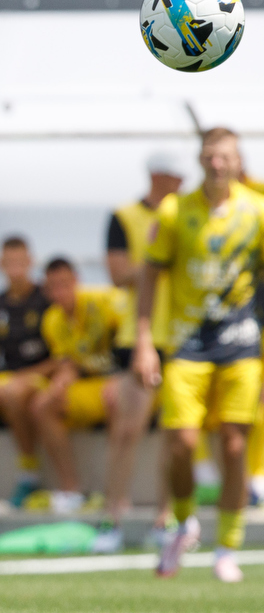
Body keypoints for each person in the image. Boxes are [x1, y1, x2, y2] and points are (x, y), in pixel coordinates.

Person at [133, 128, 264, 582]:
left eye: (224, 155)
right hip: (187, 344)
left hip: (242, 344)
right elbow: (149, 275)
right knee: (181, 445)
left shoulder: (257, 210)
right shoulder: (175, 211)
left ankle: (226, 547)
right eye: (209, 154)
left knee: (233, 444)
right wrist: (144, 341)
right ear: (200, 160)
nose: (216, 163)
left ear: (237, 160)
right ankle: (184, 522)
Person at [109, 150, 185, 540]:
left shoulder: (188, 215)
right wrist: (157, 258)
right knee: (128, 429)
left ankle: (165, 519)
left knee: (175, 434)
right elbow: (119, 274)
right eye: (175, 176)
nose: (182, 183)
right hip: (138, 336)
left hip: (183, 337)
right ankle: (113, 517)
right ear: (158, 175)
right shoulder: (124, 216)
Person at [30, 258, 124, 519]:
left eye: (65, 284)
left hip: (126, 382)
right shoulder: (52, 320)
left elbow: (132, 337)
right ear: (46, 290)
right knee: (42, 404)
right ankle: (71, 489)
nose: (60, 292)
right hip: (92, 384)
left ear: (76, 281)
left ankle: (117, 493)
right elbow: (69, 363)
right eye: (53, 287)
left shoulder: (104, 301)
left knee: (117, 397)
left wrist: (124, 377)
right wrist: (59, 382)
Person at [0, 235, 52, 499]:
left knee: (16, 393)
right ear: (0, 264)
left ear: (30, 262)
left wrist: (23, 377)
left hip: (40, 376)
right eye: (9, 262)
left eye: (20, 261)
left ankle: (28, 472)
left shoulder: (45, 299)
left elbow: (61, 357)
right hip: (7, 379)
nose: (15, 268)